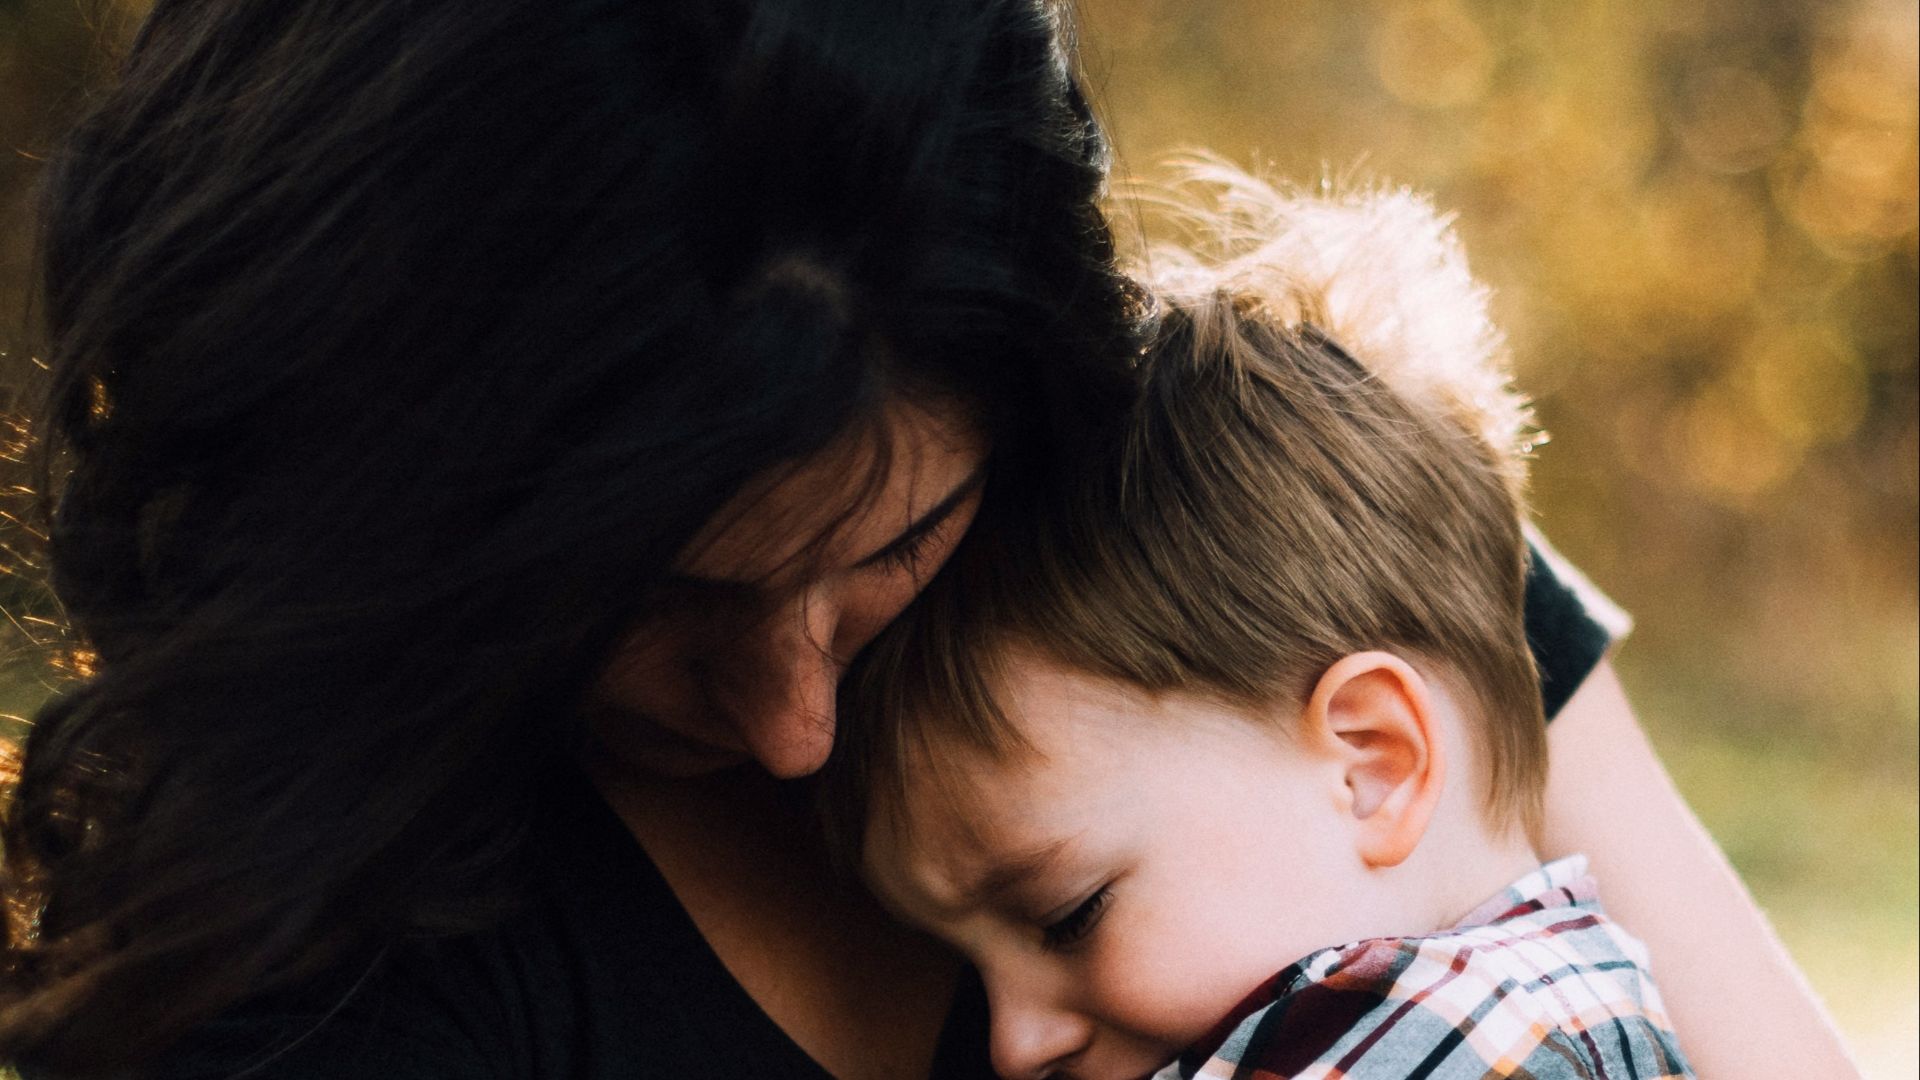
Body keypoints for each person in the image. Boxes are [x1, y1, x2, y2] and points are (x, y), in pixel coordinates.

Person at [0, 1, 1853, 1078]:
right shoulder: (333, 995)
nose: (799, 717)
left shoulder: (1250, 543)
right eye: (656, 594)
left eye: (901, 543)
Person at [823, 176, 1693, 1079]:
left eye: (1070, 915)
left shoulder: (1443, 1048)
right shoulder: (1558, 1008)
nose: (1014, 1045)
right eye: (968, 967)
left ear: (1373, 764)